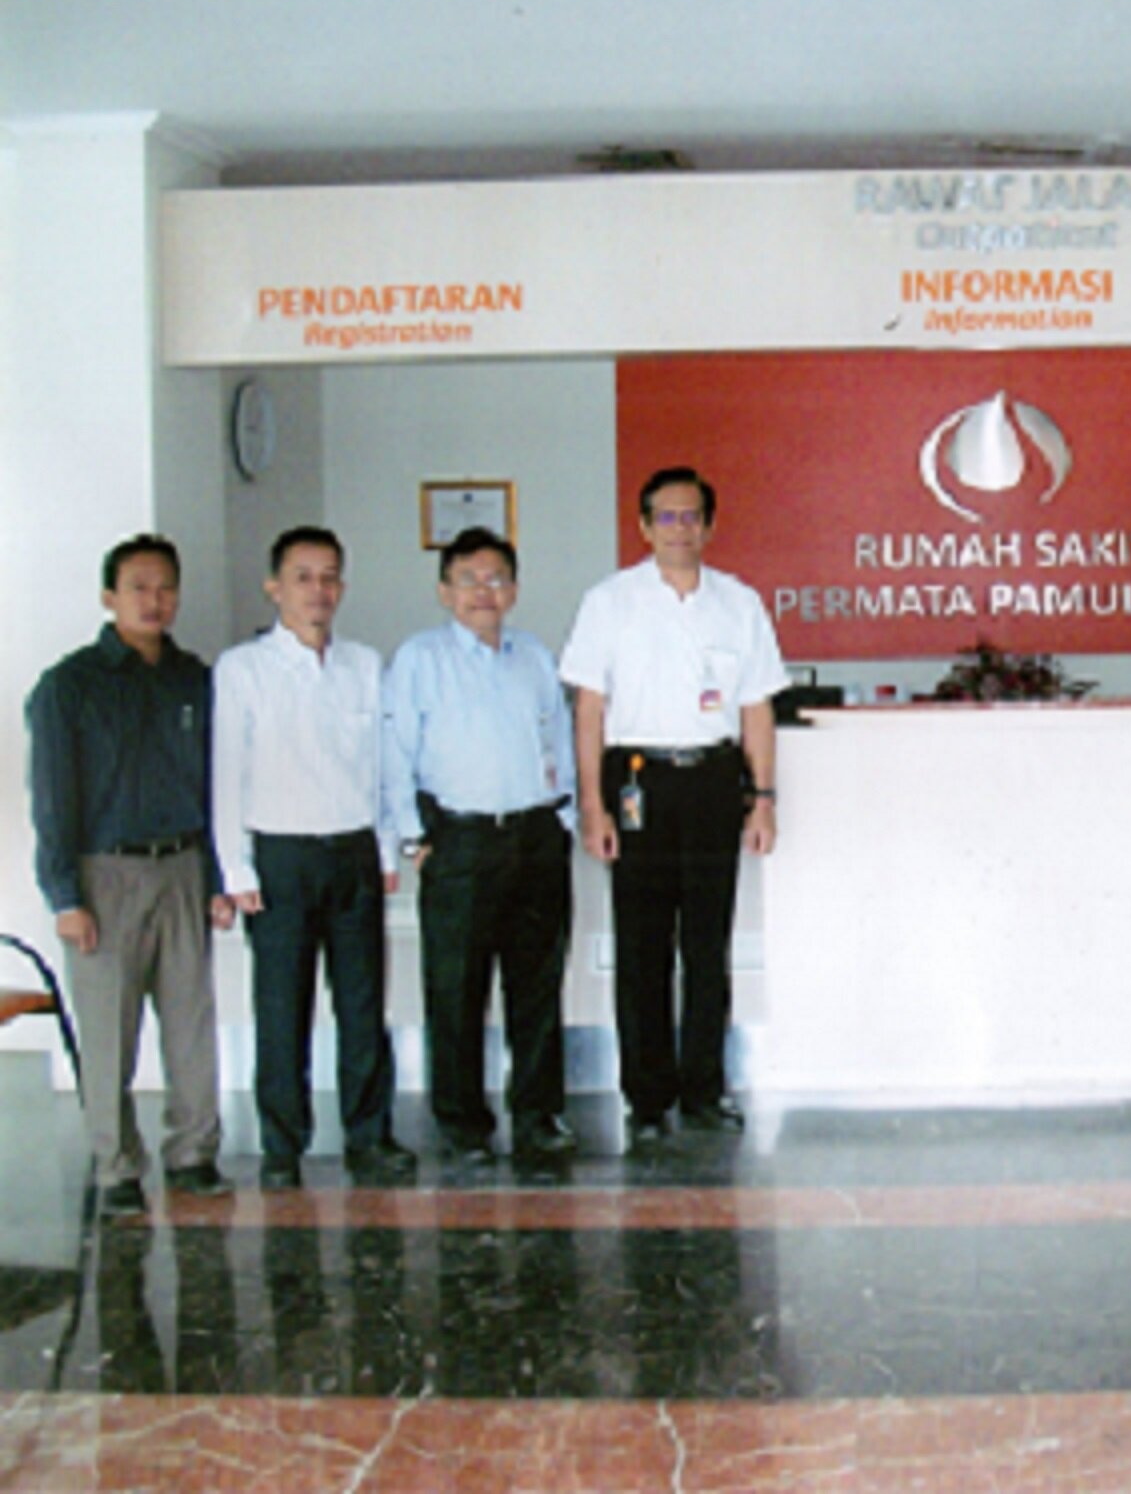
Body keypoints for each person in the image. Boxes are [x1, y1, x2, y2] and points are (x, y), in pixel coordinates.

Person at [560, 467, 785, 1143]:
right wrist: (593, 805)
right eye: (666, 516)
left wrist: (763, 798)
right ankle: (649, 1099)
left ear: (710, 526)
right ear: (644, 526)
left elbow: (757, 708)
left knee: (707, 946)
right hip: (638, 785)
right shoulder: (609, 603)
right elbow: (589, 709)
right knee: (642, 948)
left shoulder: (739, 604)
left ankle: (705, 1092)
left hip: (713, 781)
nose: (679, 529)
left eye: (691, 517)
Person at [25, 535, 235, 1217]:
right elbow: (52, 797)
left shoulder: (194, 680)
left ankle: (193, 1153)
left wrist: (217, 877)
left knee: (191, 1020)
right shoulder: (69, 686)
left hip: (183, 867)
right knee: (107, 1028)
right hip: (104, 875)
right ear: (108, 596)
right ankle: (115, 1165)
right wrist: (64, 895)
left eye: (166, 587)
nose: (154, 600)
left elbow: (216, 786)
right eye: (138, 587)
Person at [212, 527, 413, 1190]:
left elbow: (382, 766)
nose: (317, 591)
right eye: (302, 577)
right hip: (279, 856)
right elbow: (226, 771)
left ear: (342, 587)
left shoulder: (364, 665)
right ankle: (281, 1147)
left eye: (329, 577)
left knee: (363, 1006)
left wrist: (385, 847)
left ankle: (369, 1137)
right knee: (281, 1008)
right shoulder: (242, 669)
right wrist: (236, 866)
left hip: (353, 850)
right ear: (274, 587)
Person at [382, 527, 579, 1166]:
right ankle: (463, 1124)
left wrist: (566, 817)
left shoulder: (535, 656)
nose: (482, 592)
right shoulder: (420, 659)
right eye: (467, 580)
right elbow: (394, 753)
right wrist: (412, 838)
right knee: (456, 990)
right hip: (460, 842)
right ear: (445, 591)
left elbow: (560, 740)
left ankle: (538, 1115)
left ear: (514, 590)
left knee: (537, 987)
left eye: (495, 579)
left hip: (535, 838)